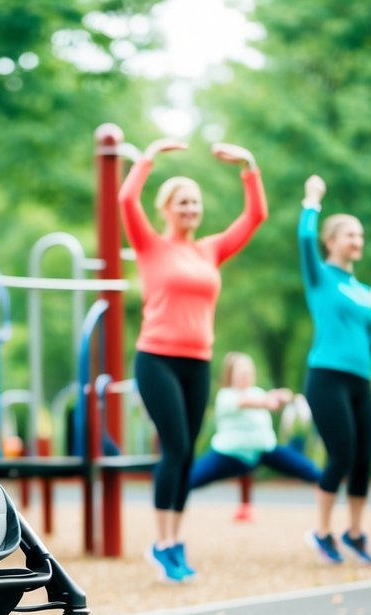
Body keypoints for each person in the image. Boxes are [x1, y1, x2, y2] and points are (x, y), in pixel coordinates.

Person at [119, 138, 268, 583]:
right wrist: (147, 157)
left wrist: (248, 164)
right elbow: (127, 198)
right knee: (177, 447)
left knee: (187, 456)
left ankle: (175, 542)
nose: (191, 208)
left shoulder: (210, 250)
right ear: (166, 208)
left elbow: (255, 216)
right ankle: (161, 543)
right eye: (183, 201)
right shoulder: (149, 245)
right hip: (156, 359)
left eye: (196, 203)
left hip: (197, 362)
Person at [298, 174, 371, 567]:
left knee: (363, 458)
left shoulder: (364, 290)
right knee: (340, 454)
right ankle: (321, 532)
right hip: (326, 377)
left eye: (360, 236)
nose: (356, 241)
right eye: (348, 235)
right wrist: (312, 201)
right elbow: (305, 240)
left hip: (361, 381)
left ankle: (354, 533)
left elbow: (368, 347)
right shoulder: (320, 276)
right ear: (331, 241)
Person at [187, 352, 321, 507]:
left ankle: (325, 516)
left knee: (311, 471)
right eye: (241, 372)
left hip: (264, 450)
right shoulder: (226, 395)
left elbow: (270, 398)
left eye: (248, 371)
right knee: (188, 480)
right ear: (231, 375)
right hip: (230, 454)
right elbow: (245, 402)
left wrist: (282, 395)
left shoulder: (257, 392)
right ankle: (169, 505)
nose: (246, 375)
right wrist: (267, 402)